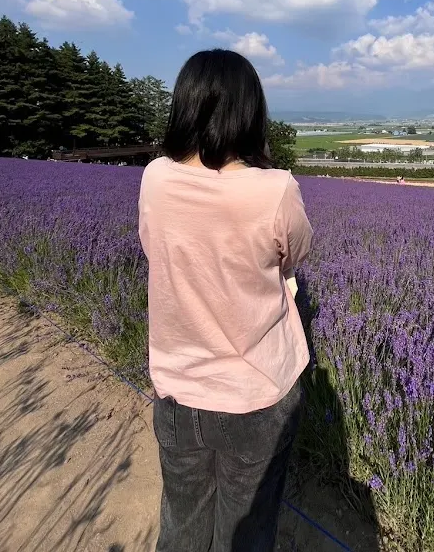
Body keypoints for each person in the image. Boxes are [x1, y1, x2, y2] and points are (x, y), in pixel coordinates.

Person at [138, 49, 312, 552]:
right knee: (247, 531)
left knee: (182, 524)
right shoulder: (275, 189)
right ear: (249, 111)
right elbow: (292, 259)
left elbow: (155, 248)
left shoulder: (155, 177)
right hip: (256, 393)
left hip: (177, 391)